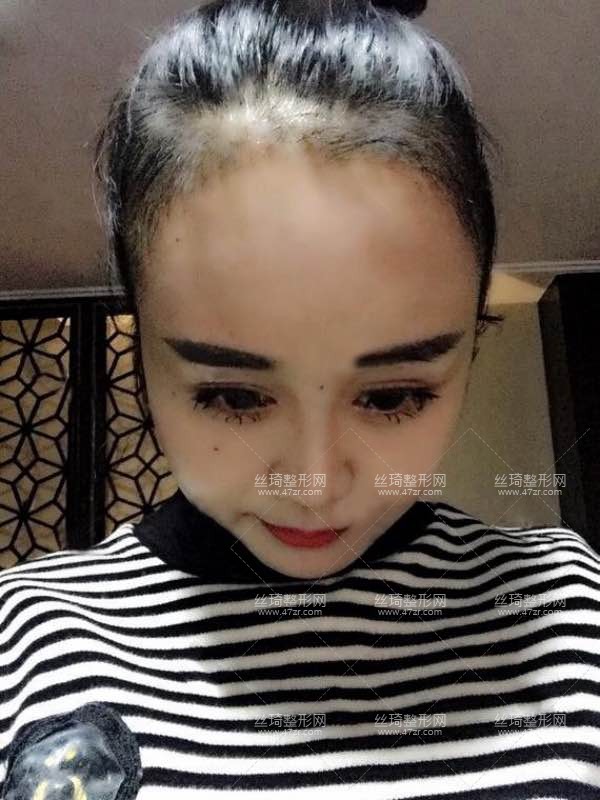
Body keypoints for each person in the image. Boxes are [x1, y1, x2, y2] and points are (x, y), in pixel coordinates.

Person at [1, 1, 599, 797]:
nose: (314, 485)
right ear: (141, 349)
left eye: (392, 397)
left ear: (471, 346)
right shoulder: (26, 638)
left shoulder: (565, 612)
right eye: (233, 396)